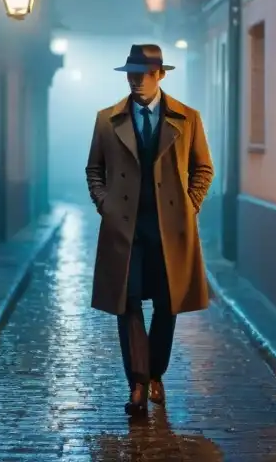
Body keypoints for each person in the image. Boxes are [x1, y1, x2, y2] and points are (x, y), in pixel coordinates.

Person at [85, 43, 215, 415]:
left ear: (161, 75)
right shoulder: (106, 119)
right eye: (131, 74)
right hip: (125, 229)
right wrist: (106, 205)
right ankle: (137, 384)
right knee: (127, 305)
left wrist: (190, 206)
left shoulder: (187, 118)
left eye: (143, 74)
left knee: (167, 303)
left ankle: (155, 374)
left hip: (169, 229)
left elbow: (203, 168)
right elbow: (94, 170)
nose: (136, 81)